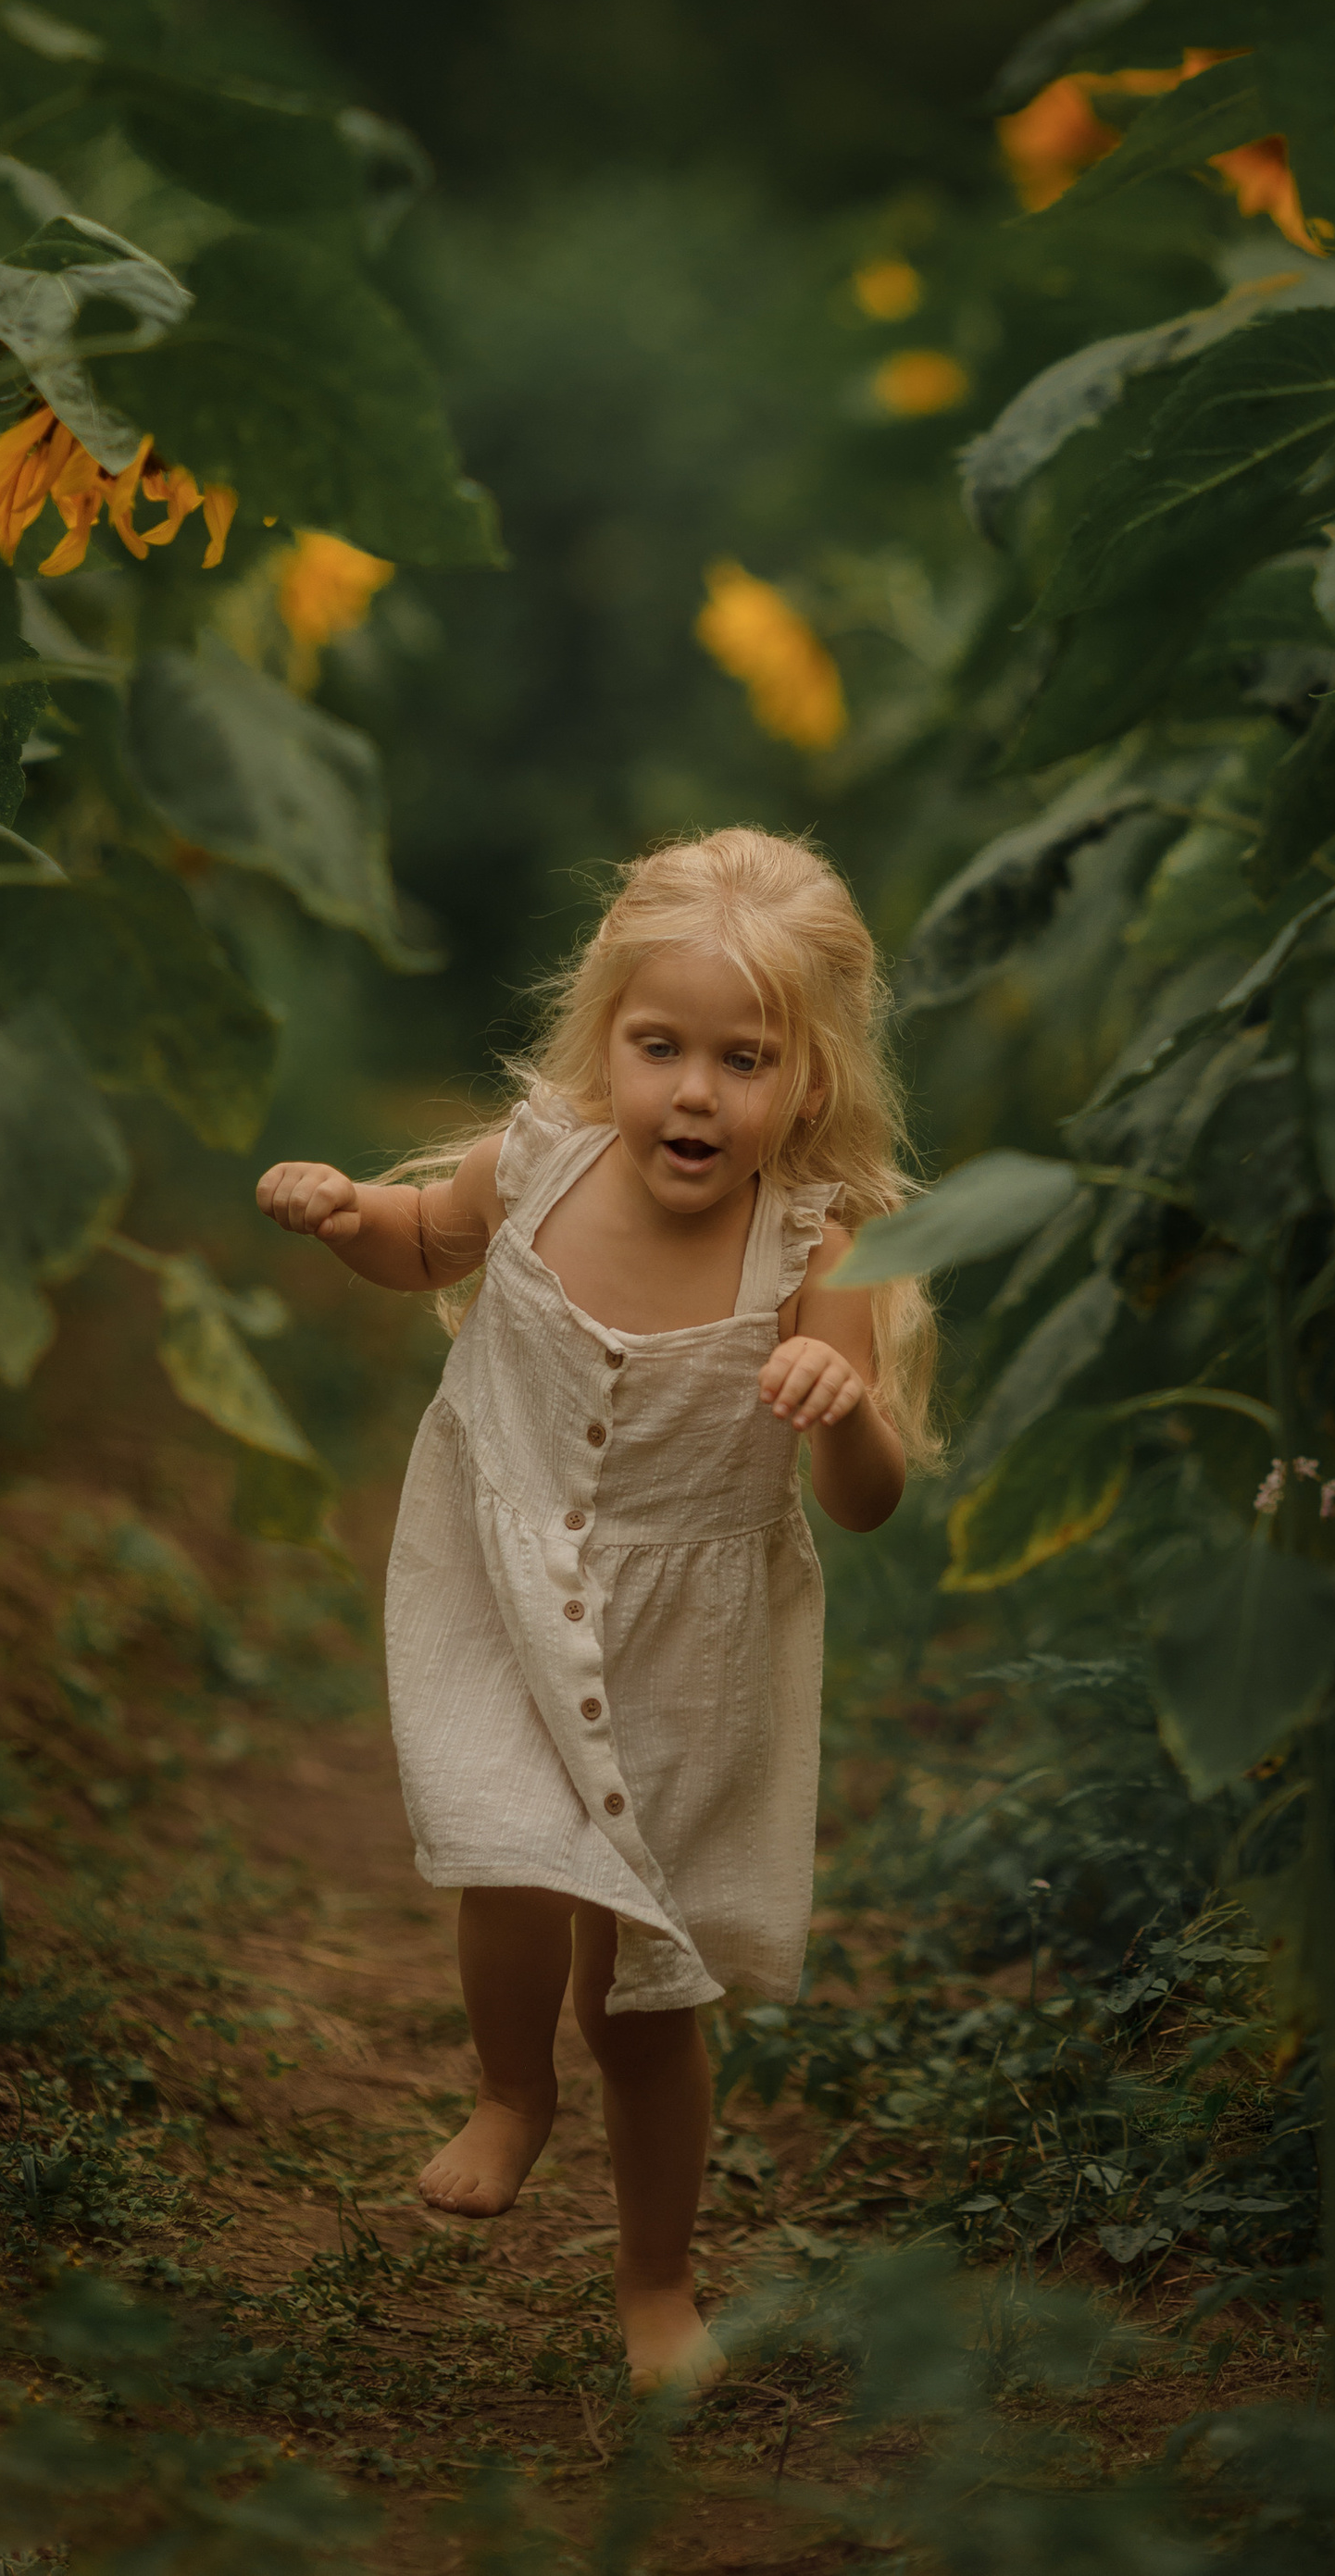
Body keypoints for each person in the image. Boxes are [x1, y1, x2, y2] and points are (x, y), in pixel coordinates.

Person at [254, 828, 935, 2389]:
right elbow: (422, 1244)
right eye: (661, 1047)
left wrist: (842, 1403)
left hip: (684, 1651)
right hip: (503, 1587)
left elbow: (866, 1496)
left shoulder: (816, 1249)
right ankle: (508, 2093)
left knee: (644, 1993)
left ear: (812, 1083)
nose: (696, 1091)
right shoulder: (540, 1157)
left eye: (744, 1059)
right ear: (607, 1040)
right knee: (502, 1858)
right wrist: (352, 1209)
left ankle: (656, 2276)